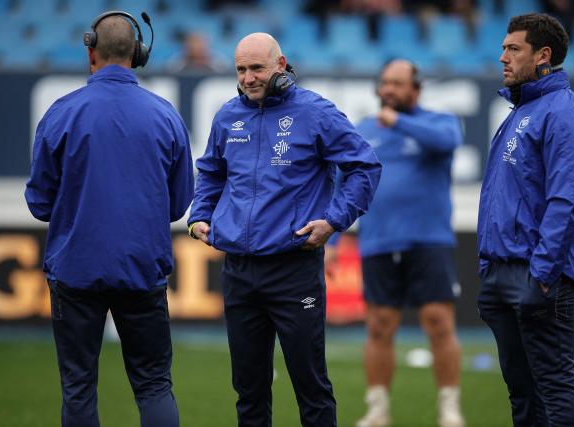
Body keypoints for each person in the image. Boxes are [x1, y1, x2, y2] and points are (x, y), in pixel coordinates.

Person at [187, 32, 381, 427]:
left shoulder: (316, 112)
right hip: (239, 272)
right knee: (249, 390)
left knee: (311, 388)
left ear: (281, 64)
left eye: (256, 68)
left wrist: (334, 220)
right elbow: (211, 172)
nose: (248, 78)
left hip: (294, 270)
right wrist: (199, 214)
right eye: (241, 69)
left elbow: (364, 166)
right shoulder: (227, 116)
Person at [24, 11, 194, 427]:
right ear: (138, 53)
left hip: (76, 272)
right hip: (142, 271)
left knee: (78, 388)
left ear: (90, 51)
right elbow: (178, 205)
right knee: (154, 385)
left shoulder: (61, 112)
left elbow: (39, 203)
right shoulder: (165, 114)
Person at [477, 13, 574, 427]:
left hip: (539, 275)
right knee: (523, 393)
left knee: (553, 386)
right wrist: (488, 269)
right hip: (503, 273)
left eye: (513, 49)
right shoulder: (522, 111)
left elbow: (565, 203)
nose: (503, 58)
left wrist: (544, 276)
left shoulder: (564, 116)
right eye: (503, 48)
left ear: (543, 55)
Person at [336, 59, 466, 427]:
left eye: (398, 83)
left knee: (439, 322)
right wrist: (332, 244)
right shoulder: (363, 131)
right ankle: (377, 409)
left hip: (428, 240)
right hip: (378, 241)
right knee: (378, 326)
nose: (389, 89)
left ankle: (449, 409)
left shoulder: (437, 123)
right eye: (385, 83)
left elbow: (449, 141)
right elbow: (340, 183)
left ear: (416, 89)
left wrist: (400, 123)